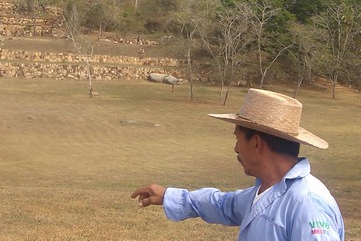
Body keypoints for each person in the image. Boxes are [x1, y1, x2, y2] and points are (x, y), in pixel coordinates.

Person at [131, 88, 344, 240]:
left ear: (257, 143)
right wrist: (169, 196)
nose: (235, 148)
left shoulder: (308, 204)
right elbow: (225, 205)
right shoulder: (267, 190)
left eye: (237, 138)